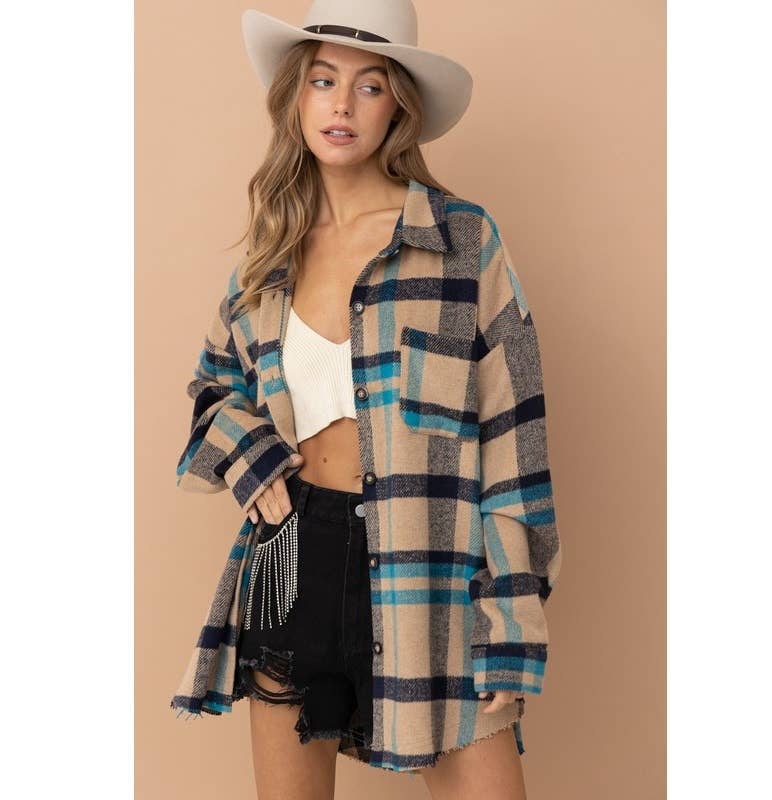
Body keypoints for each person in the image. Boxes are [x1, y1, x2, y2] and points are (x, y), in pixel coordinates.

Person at [170, 2, 563, 798]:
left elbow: (515, 439)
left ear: (399, 108)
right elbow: (213, 388)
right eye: (322, 81)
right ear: (297, 97)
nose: (342, 105)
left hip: (429, 570)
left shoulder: (461, 243)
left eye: (370, 85)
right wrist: (250, 454)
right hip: (289, 556)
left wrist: (512, 621)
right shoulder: (270, 254)